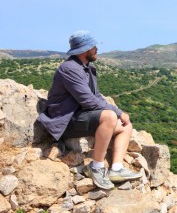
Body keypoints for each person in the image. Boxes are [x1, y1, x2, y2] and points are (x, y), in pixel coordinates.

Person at [38, 30, 141, 189]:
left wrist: (120, 114)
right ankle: (96, 167)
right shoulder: (70, 68)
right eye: (94, 46)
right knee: (110, 117)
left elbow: (96, 96)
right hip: (65, 120)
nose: (96, 49)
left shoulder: (87, 68)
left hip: (80, 116)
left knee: (126, 126)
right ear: (85, 49)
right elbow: (88, 101)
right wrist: (118, 112)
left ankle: (116, 169)